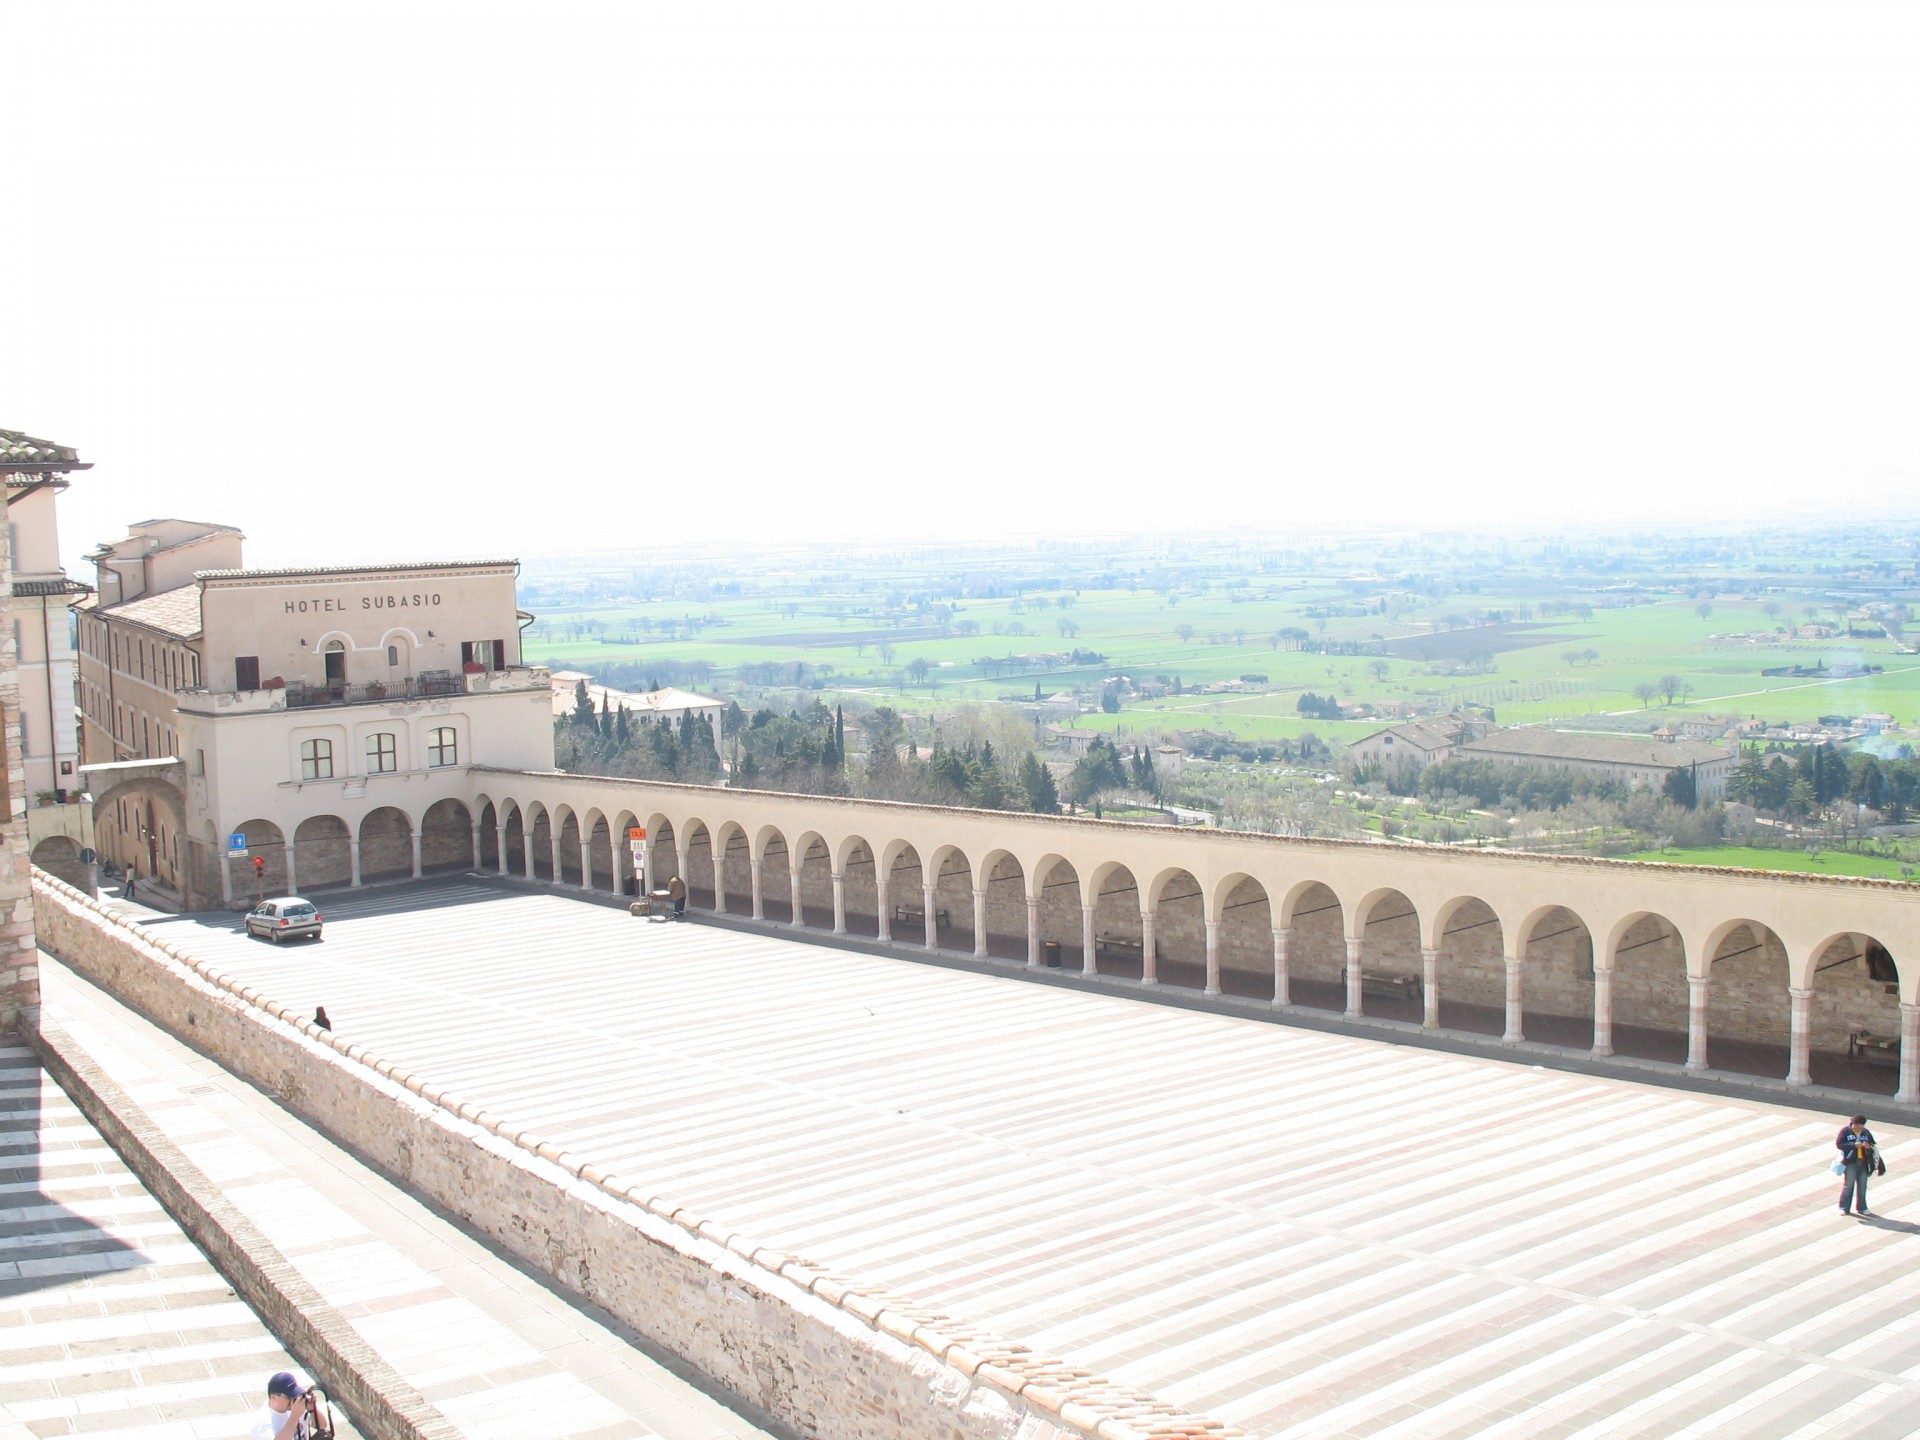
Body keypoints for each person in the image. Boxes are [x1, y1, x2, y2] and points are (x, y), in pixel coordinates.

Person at [1837, 1114, 1883, 1217]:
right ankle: (1843, 1207)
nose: (1859, 1129)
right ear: (1853, 1123)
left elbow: (1872, 1144)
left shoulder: (1865, 1132)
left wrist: (1868, 1145)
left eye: (1861, 1127)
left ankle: (1862, 1207)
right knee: (1848, 1186)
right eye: (1858, 1127)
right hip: (1850, 1163)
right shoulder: (1845, 1131)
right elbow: (1839, 1144)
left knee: (1862, 1186)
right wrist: (1854, 1145)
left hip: (1863, 1163)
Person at [250, 1371, 313, 1440]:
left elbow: (322, 1425)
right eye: (289, 1397)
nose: (292, 1400)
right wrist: (294, 1417)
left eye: (294, 1395)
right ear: (273, 1397)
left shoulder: (295, 1408)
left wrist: (313, 1410)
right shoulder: (262, 1424)